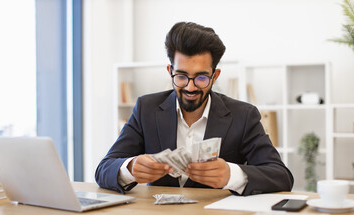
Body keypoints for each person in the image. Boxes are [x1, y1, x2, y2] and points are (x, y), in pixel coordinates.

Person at [95, 22, 294, 196]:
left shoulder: (243, 115)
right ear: (170, 71)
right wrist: (130, 168)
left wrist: (231, 175)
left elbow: (281, 176)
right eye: (181, 76)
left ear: (215, 76)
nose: (190, 87)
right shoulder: (146, 109)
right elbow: (103, 169)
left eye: (201, 78)